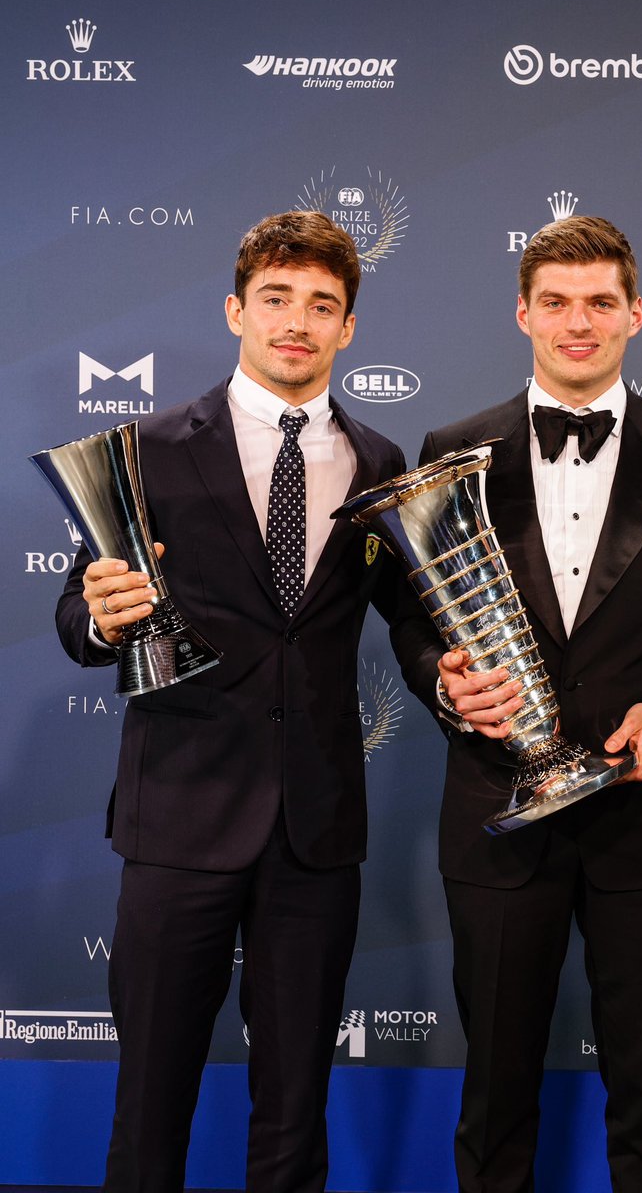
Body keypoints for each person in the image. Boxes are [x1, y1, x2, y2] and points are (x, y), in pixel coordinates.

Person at [391, 215, 642, 1192]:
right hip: (495, 815)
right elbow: (411, 620)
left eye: (600, 302)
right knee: (496, 1090)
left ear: (634, 314)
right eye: (555, 302)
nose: (577, 322)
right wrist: (441, 675)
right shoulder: (450, 448)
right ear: (522, 312)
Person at [56, 210, 411, 1193]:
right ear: (235, 310)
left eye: (322, 305)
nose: (296, 321)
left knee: (296, 1108)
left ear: (347, 328)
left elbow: (414, 626)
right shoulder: (150, 449)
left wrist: (460, 681)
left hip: (316, 831)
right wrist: (102, 618)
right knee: (150, 1103)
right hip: (179, 820)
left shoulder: (382, 465)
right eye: (275, 299)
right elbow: (79, 617)